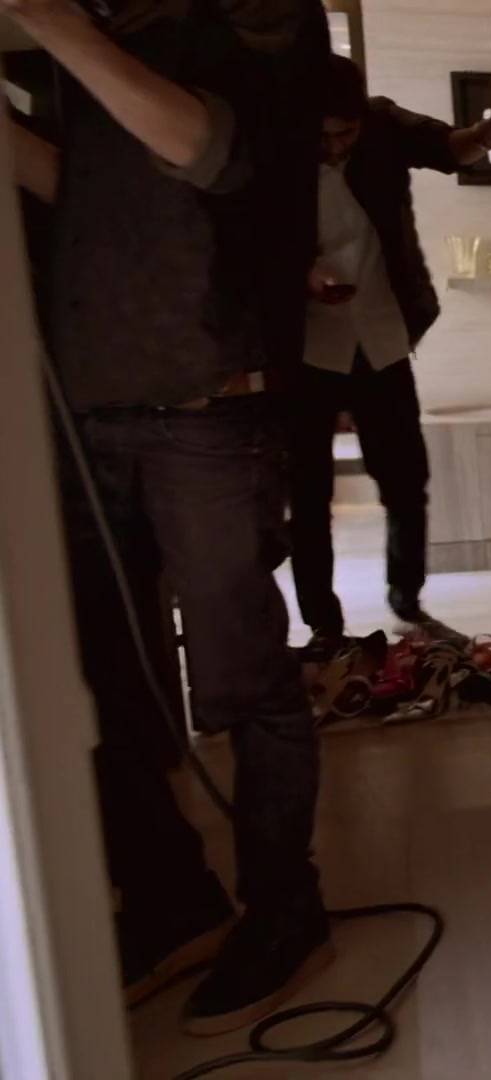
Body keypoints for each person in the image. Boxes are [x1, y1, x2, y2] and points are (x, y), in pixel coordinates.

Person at [4, 0, 334, 1035]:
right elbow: (79, 187)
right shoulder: (100, 31)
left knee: (241, 681)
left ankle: (286, 909)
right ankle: (171, 902)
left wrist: (52, 24)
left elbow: (206, 147)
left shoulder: (246, 15)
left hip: (207, 408)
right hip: (90, 408)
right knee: (94, 681)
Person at [289, 53, 491, 655]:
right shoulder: (275, 147)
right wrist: (301, 274)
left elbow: (451, 148)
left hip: (381, 333)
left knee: (407, 481)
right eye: (322, 137)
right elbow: (252, 239)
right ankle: (324, 626)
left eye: (345, 134)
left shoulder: (384, 126)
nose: (334, 147)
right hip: (306, 346)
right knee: (307, 496)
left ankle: (407, 601)